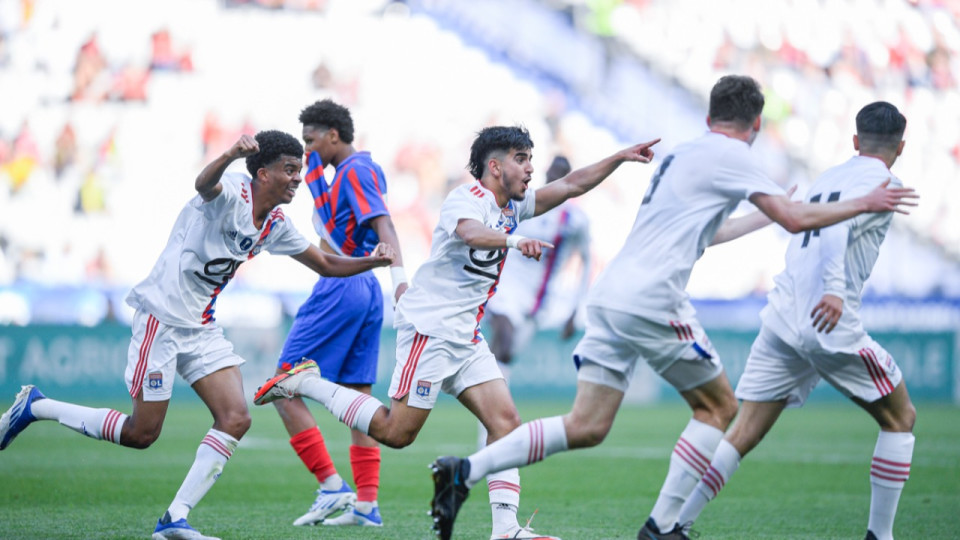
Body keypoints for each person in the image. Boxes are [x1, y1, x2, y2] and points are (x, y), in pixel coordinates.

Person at [427, 75, 918, 540]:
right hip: (653, 296)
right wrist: (864, 203)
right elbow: (793, 218)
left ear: (708, 117)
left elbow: (711, 232)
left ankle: (464, 470)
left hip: (611, 292)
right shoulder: (735, 156)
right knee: (719, 406)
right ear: (756, 124)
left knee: (587, 425)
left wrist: (758, 218)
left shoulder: (682, 155)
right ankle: (662, 527)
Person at [253, 125, 661, 540]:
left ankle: (506, 529)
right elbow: (470, 233)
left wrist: (619, 157)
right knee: (397, 433)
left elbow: (572, 184)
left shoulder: (513, 206)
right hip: (430, 331)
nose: (530, 169)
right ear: (495, 167)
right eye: (522, 159)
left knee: (506, 423)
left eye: (530, 159)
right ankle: (305, 382)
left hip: (466, 336)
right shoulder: (466, 199)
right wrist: (515, 242)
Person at [0, 131, 395, 540]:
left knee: (236, 417)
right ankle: (37, 406)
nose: (298, 178)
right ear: (262, 174)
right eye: (290, 169)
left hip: (201, 327)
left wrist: (372, 262)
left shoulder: (276, 224)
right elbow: (203, 184)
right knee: (141, 433)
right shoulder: (232, 193)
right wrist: (229, 153)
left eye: (300, 170)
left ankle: (175, 519)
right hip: (161, 320)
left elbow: (326, 264)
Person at [670, 102, 916, 540]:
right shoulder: (883, 183)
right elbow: (836, 230)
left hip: (784, 316)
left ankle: (674, 524)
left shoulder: (829, 177)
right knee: (901, 418)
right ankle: (880, 536)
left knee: (744, 431)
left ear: (855, 141)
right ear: (901, 146)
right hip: (829, 320)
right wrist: (834, 290)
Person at [267, 99, 407, 528]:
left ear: (333, 135)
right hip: (365, 289)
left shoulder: (355, 171)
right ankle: (366, 505)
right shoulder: (338, 171)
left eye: (311, 140)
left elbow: (384, 224)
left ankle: (331, 486)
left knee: (283, 384)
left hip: (342, 283)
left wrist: (400, 279)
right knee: (358, 397)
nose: (306, 149)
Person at [480, 155, 591, 446]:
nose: (555, 176)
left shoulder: (575, 220)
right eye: (552, 171)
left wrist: (576, 310)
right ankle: (492, 432)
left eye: (562, 173)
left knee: (504, 359)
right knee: (503, 342)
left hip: (537, 302)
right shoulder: (523, 203)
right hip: (504, 288)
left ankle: (492, 423)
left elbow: (586, 262)